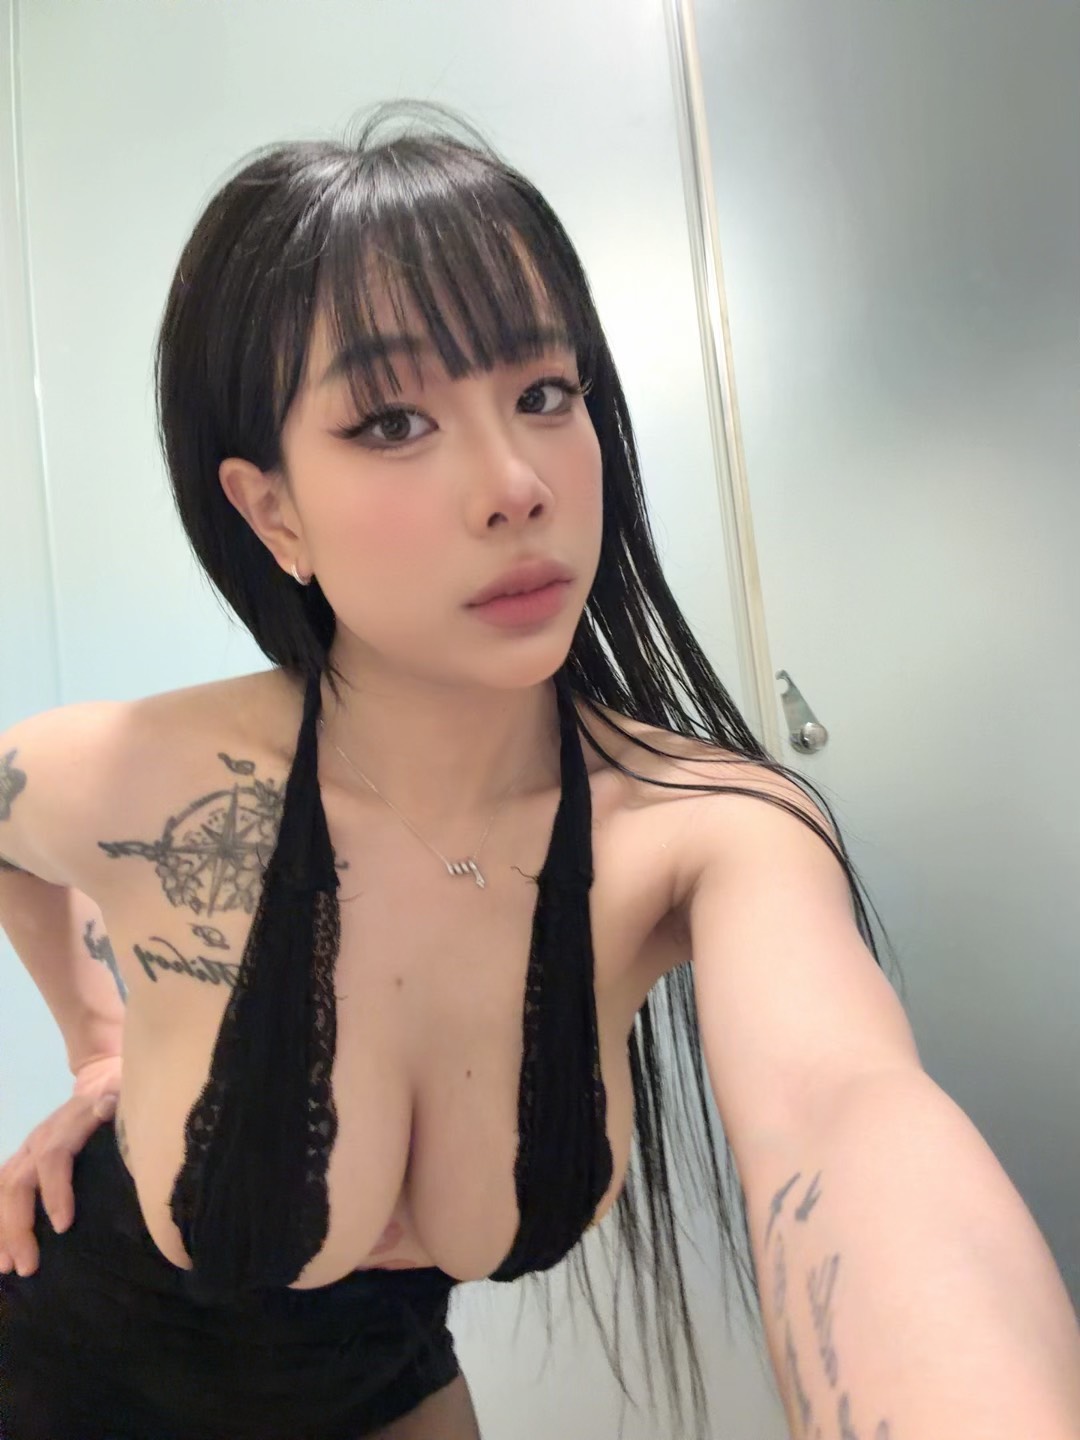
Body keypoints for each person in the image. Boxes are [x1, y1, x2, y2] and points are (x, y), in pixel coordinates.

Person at [3, 100, 1076, 1440]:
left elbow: (846, 1115)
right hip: (71, 1375)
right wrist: (96, 1042)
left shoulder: (695, 834)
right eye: (392, 420)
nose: (516, 483)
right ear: (273, 510)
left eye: (544, 395)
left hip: (380, 1371)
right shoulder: (141, 773)